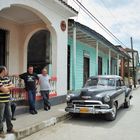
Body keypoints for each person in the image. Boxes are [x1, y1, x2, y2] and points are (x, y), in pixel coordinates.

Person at [0, 66, 15, 138]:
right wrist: (8, 87)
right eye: (6, 70)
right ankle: (0, 131)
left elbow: (13, 86)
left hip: (7, 100)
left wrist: (6, 87)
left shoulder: (7, 78)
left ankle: (10, 128)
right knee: (1, 117)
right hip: (1, 101)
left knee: (9, 115)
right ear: (3, 71)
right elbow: (4, 90)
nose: (7, 71)